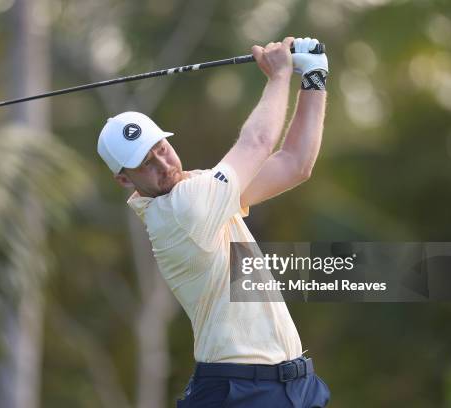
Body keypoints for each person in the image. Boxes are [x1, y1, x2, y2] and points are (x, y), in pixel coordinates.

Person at [97, 36, 330, 407]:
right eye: (146, 164)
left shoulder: (198, 189)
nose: (164, 165)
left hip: (292, 385)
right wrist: (279, 75)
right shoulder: (185, 209)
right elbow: (258, 142)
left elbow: (295, 164)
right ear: (125, 180)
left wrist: (314, 76)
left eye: (161, 149)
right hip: (243, 391)